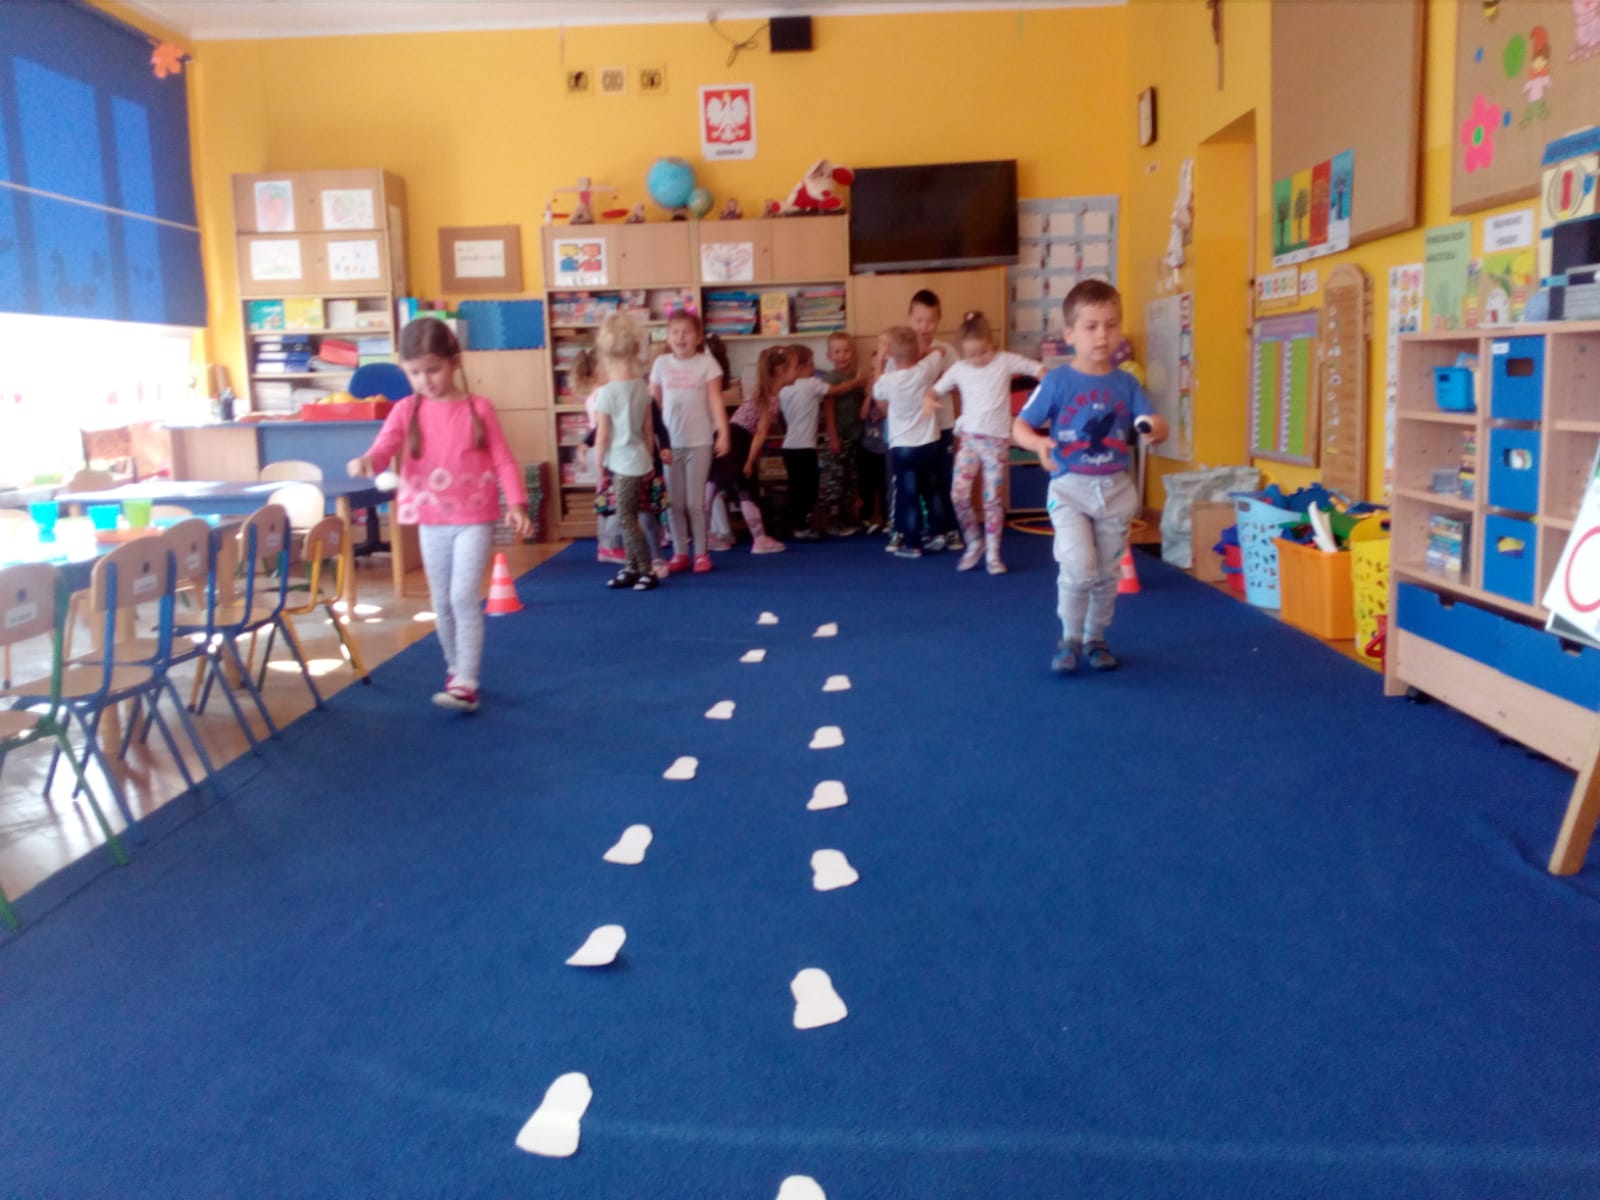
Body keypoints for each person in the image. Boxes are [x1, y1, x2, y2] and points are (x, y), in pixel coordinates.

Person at [349, 317, 532, 713]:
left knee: (463, 597)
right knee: (441, 601)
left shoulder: (478, 408)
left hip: (473, 518)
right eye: (414, 373)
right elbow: (385, 445)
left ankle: (467, 679)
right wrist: (369, 461)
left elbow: (502, 458)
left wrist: (517, 504)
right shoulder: (406, 409)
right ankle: (454, 669)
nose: (425, 380)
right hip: (431, 520)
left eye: (433, 369)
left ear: (454, 362)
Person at [1011, 280, 1169, 674]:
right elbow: (1020, 426)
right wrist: (1039, 444)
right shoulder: (1057, 381)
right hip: (1069, 490)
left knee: (1106, 573)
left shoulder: (1126, 383)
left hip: (1115, 491)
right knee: (1080, 566)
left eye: (1112, 325)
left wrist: (1154, 427)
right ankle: (1070, 638)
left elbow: (1153, 420)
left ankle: (1096, 637)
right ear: (1070, 334)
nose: (1102, 335)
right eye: (1091, 326)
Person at [930, 311, 1045, 574]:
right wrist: (928, 399)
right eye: (971, 355)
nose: (978, 359)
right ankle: (974, 541)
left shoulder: (1004, 360)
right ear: (963, 353)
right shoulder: (960, 369)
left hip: (996, 443)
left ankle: (993, 553)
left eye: (983, 352)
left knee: (992, 499)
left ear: (991, 344)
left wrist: (1045, 376)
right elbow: (936, 389)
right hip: (970, 441)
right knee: (958, 494)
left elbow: (1034, 367)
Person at [650, 310, 729, 574]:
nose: (680, 337)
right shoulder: (661, 363)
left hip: (699, 442)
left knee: (696, 503)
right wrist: (652, 439)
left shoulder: (707, 363)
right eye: (675, 332)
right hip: (670, 445)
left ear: (698, 337)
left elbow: (716, 400)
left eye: (686, 332)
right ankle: (681, 552)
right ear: (668, 337)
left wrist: (723, 432)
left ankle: (701, 553)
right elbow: (654, 405)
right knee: (675, 503)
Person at [591, 313, 660, 592]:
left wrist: (599, 463)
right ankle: (631, 568)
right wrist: (650, 458)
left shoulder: (606, 393)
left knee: (625, 518)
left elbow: (602, 435)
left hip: (621, 463)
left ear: (605, 355)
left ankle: (646, 568)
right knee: (631, 514)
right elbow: (648, 428)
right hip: (640, 459)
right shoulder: (642, 387)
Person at [873, 325, 949, 559]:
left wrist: (879, 362)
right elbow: (941, 352)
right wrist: (926, 352)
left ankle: (913, 544)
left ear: (890, 354)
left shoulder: (888, 380)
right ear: (916, 353)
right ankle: (938, 534)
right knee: (931, 490)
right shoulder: (924, 370)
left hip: (903, 447)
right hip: (929, 444)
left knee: (908, 496)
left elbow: (877, 392)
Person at [709, 346, 787, 554]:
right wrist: (750, 461)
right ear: (781, 371)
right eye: (792, 369)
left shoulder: (759, 393)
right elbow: (760, 433)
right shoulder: (770, 399)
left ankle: (705, 536)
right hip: (739, 441)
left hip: (726, 436)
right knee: (746, 490)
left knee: (713, 485)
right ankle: (759, 538)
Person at [909, 288, 962, 552]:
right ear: (909, 319)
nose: (924, 327)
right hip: (915, 432)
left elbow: (960, 385)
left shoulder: (946, 351)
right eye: (919, 320)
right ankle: (929, 530)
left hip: (943, 426)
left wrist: (960, 426)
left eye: (930, 321)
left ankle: (951, 529)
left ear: (939, 320)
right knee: (922, 483)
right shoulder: (903, 350)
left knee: (945, 479)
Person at [818, 332, 868, 536]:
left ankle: (848, 517)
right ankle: (833, 520)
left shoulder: (856, 376)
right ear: (829, 356)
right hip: (838, 436)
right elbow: (828, 409)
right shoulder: (833, 378)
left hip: (855, 436)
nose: (842, 355)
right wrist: (833, 436)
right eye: (837, 352)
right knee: (835, 480)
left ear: (853, 353)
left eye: (846, 351)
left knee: (850, 479)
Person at [779, 344, 829, 541]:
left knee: (796, 487)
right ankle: (801, 524)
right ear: (800, 367)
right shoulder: (812, 384)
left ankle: (795, 523)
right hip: (805, 448)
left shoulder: (783, 389)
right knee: (810, 488)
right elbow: (835, 389)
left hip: (789, 447)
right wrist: (857, 381)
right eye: (811, 364)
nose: (814, 368)